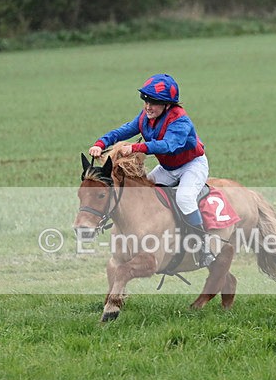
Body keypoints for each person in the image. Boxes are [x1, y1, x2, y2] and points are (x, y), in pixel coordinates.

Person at [88, 73, 214, 267]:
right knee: (140, 193)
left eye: (154, 102)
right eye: (146, 101)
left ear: (167, 105)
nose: (148, 106)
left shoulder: (181, 121)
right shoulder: (145, 118)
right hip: (168, 168)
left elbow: (168, 145)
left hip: (191, 166)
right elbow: (122, 131)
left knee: (184, 198)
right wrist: (100, 143)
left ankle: (203, 248)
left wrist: (136, 148)